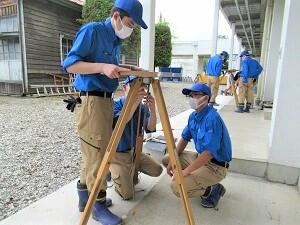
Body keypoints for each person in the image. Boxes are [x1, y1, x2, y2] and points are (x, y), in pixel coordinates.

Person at [62, 1, 148, 224]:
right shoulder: (93, 31)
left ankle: (85, 197)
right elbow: (70, 64)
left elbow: (110, 70)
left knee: (93, 153)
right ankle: (97, 206)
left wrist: (129, 70)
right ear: (117, 16)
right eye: (130, 23)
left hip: (104, 101)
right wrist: (101, 67)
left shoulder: (114, 40)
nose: (130, 29)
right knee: (98, 157)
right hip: (91, 102)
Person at [162, 83, 232, 209]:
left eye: (196, 95)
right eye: (190, 96)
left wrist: (184, 172)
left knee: (177, 187)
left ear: (206, 98)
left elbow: (208, 154)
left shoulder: (212, 119)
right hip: (202, 159)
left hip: (215, 166)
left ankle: (212, 191)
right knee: (168, 159)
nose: (192, 99)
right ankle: (201, 182)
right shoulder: (193, 116)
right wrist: (173, 160)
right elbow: (184, 138)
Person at [110, 76, 163, 200]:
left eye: (142, 87)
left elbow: (150, 127)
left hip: (134, 152)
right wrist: (134, 103)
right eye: (134, 86)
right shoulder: (116, 104)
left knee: (157, 170)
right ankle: (112, 169)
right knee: (128, 195)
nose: (140, 89)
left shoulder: (142, 108)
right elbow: (121, 124)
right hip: (118, 154)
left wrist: (153, 109)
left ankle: (130, 169)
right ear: (124, 88)